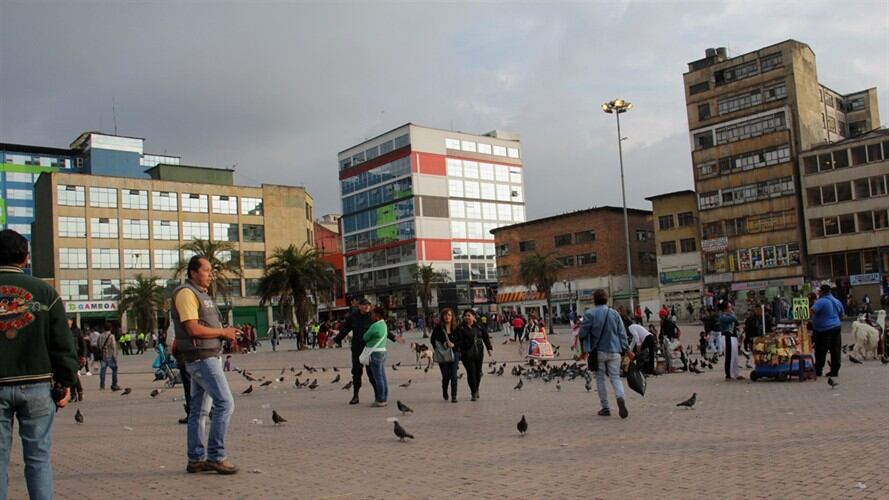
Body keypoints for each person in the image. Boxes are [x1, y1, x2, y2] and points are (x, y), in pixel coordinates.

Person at [0, 229, 79, 500]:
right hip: (37, 387)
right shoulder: (45, 292)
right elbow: (62, 343)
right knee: (38, 458)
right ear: (25, 257)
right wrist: (65, 383)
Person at [172, 255, 242, 475]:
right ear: (193, 272)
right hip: (202, 358)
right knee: (225, 403)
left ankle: (196, 459)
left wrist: (222, 333)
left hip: (206, 355)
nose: (211, 275)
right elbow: (192, 328)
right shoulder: (186, 294)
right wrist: (222, 332)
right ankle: (216, 456)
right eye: (206, 270)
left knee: (199, 410)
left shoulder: (200, 294)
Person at [334, 298, 402, 405]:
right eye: (365, 305)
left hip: (370, 350)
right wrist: (335, 340)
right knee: (356, 373)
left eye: (369, 305)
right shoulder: (352, 317)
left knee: (373, 374)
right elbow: (344, 330)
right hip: (357, 349)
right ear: (359, 306)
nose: (367, 307)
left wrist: (394, 338)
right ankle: (355, 396)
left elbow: (383, 329)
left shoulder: (372, 317)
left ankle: (378, 396)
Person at [578, 289, 629, 418]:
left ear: (594, 300)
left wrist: (584, 348)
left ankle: (605, 407)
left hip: (598, 352)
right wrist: (626, 349)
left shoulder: (590, 314)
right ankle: (620, 397)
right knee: (615, 377)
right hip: (615, 350)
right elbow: (622, 333)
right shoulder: (614, 313)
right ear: (606, 299)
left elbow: (582, 333)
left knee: (600, 379)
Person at [454, 309, 493, 401]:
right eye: (465, 315)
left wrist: (489, 348)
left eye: (469, 315)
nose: (467, 317)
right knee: (471, 372)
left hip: (478, 352)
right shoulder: (460, 328)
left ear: (473, 316)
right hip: (466, 353)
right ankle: (473, 392)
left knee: (478, 372)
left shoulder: (479, 326)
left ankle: (476, 388)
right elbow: (457, 340)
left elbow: (485, 337)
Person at [811, 284, 844, 377]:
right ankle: (834, 371)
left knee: (821, 350)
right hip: (836, 327)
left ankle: (818, 370)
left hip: (823, 330)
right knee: (835, 350)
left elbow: (811, 311)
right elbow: (842, 314)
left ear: (821, 292)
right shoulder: (836, 301)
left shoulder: (821, 301)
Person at [363, 308, 392, 407]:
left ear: (377, 315)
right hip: (382, 351)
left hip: (375, 353)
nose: (371, 316)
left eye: (373, 314)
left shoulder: (375, 326)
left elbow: (365, 337)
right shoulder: (384, 325)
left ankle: (380, 399)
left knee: (378, 377)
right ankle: (384, 397)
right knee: (382, 376)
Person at [430, 308, 460, 402]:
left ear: (452, 317)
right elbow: (433, 340)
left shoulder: (456, 327)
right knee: (446, 376)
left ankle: (454, 396)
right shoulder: (438, 328)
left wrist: (454, 344)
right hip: (443, 355)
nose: (447, 317)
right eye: (445, 315)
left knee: (454, 376)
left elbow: (460, 340)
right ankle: (444, 390)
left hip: (454, 353)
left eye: (449, 315)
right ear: (442, 316)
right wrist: (440, 346)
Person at [719, 302, 743, 380]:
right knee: (729, 356)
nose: (731, 308)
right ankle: (729, 374)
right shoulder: (723, 316)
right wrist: (732, 313)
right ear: (725, 309)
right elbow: (733, 319)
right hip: (727, 337)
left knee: (735, 356)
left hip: (733, 336)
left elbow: (736, 322)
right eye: (729, 307)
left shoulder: (730, 315)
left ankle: (736, 373)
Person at [98, 324, 121, 391]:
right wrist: (115, 357)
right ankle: (114, 384)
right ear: (110, 328)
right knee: (114, 369)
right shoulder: (111, 336)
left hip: (103, 356)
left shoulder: (100, 335)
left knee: (102, 370)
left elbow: (99, 346)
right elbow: (113, 347)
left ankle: (102, 385)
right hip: (110, 356)